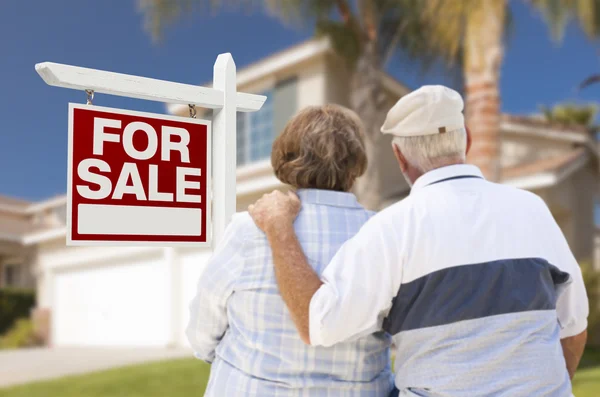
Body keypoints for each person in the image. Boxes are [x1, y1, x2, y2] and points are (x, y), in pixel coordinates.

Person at [248, 85, 590, 397]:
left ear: (400, 157)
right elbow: (573, 330)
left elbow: (316, 323)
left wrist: (280, 228)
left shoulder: (393, 228)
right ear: (466, 139)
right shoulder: (532, 209)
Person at [186, 104, 394, 396]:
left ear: (288, 157)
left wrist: (215, 355)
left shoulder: (249, 228)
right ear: (355, 163)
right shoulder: (385, 234)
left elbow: (205, 321)